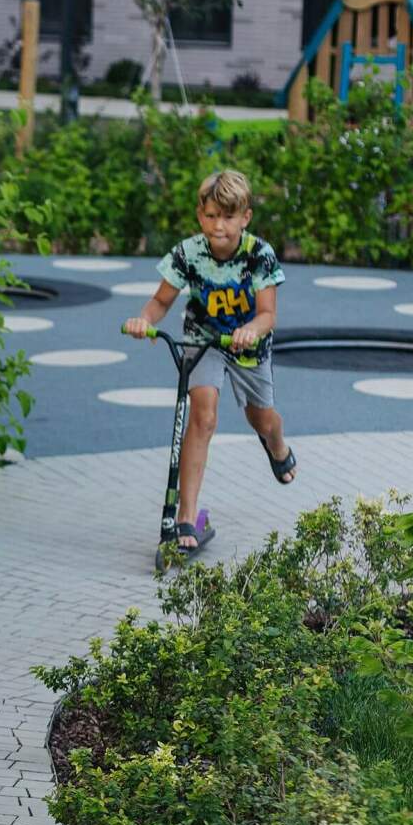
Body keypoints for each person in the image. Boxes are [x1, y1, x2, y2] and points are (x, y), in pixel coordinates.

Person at [123, 169, 298, 554]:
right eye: (211, 216)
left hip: (248, 345)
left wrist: (251, 329)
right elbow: (161, 301)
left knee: (261, 419)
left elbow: (268, 313)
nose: (219, 226)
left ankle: (278, 445)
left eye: (229, 217)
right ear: (200, 215)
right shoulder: (188, 253)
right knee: (203, 416)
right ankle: (185, 516)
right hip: (203, 341)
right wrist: (144, 320)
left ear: (245, 218)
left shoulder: (258, 255)